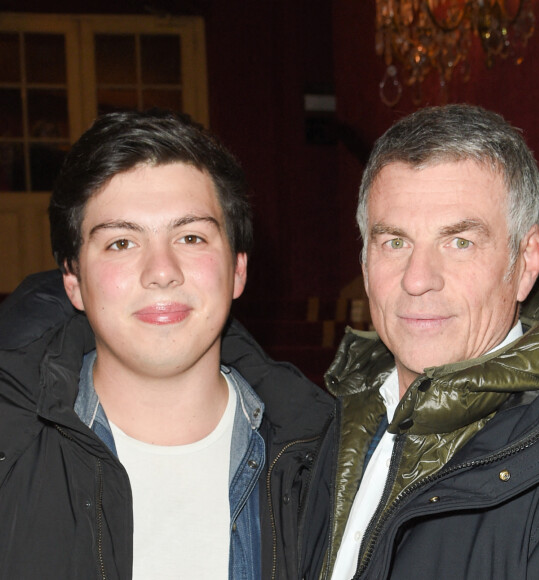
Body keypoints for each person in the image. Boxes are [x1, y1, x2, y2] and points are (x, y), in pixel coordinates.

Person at [0, 109, 335, 579]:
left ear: (238, 269)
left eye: (191, 236)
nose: (162, 270)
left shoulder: (326, 461)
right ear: (73, 280)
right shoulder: (10, 449)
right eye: (121, 243)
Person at [322, 104, 539, 579]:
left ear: (525, 263)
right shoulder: (324, 429)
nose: (418, 280)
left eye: (459, 242)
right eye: (394, 242)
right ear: (364, 263)